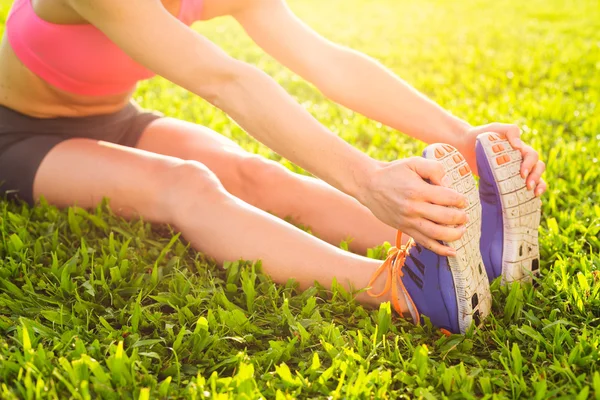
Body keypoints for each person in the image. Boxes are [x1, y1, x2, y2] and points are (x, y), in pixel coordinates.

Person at [0, 0, 546, 333]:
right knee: (184, 185)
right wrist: (365, 178)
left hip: (116, 117)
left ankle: (460, 249)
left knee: (259, 176)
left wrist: (458, 135)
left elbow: (327, 61)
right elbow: (227, 81)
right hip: (16, 135)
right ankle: (397, 291)